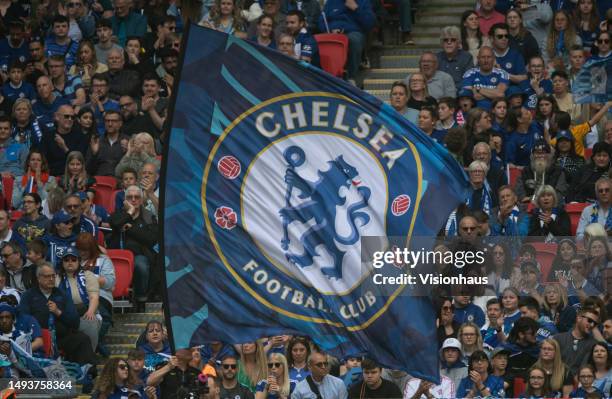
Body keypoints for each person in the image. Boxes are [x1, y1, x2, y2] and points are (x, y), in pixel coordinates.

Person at [18, 262, 98, 365]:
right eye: (47, 276)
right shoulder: (28, 296)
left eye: (53, 276)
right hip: (38, 338)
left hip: (60, 338)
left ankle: (87, 373)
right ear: (38, 278)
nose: (51, 279)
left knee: (82, 339)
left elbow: (75, 322)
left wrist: (58, 312)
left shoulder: (62, 294)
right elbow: (23, 319)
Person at [109, 185, 158, 307]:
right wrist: (130, 212)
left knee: (140, 265)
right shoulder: (118, 214)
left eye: (137, 197)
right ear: (125, 200)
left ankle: (141, 298)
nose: (134, 200)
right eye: (130, 197)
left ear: (141, 200)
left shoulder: (148, 216)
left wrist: (131, 229)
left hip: (140, 255)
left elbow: (151, 239)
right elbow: (115, 223)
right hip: (118, 255)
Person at [317, 0, 375, 82]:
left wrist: (356, 9)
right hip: (332, 33)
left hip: (352, 32)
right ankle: (325, 79)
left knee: (354, 40)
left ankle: (351, 77)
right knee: (315, 42)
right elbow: (322, 20)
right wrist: (329, 30)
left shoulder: (363, 2)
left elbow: (369, 23)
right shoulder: (331, 2)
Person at [55, 246, 100, 352]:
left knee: (91, 322)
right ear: (62, 262)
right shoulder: (56, 277)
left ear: (79, 261)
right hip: (63, 313)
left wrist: (90, 311)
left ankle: (90, 356)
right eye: (66, 260)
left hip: (83, 311)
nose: (70, 262)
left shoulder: (88, 275)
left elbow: (94, 296)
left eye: (73, 259)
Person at [39, 104, 88, 177]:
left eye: (72, 117)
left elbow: (79, 162)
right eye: (66, 116)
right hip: (52, 177)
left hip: (73, 177)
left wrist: (64, 148)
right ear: (57, 117)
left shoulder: (81, 137)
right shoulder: (47, 136)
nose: (70, 119)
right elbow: (42, 160)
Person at [554, 307, 601, 375]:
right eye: (590, 320)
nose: (592, 325)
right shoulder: (558, 338)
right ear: (579, 318)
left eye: (595, 323)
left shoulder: (594, 344)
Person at [461, 47, 509, 111]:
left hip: (497, 111)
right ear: (478, 59)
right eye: (483, 57)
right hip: (475, 112)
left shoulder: (502, 73)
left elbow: (500, 94)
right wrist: (494, 92)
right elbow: (470, 97)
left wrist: (478, 89)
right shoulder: (469, 73)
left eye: (489, 57)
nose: (486, 60)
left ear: (494, 59)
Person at [85, 110, 128, 177]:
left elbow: (133, 167)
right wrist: (94, 154)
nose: (110, 124)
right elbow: (88, 169)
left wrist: (128, 152)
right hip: (99, 182)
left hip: (120, 182)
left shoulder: (128, 141)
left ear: (120, 123)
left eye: (113, 121)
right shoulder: (96, 141)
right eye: (107, 121)